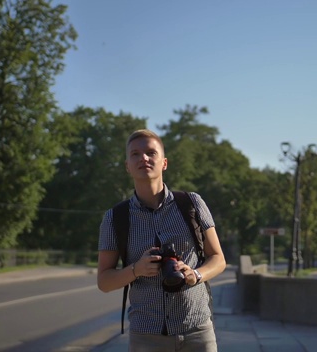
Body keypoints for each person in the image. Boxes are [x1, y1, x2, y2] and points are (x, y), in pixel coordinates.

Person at [97, 129, 226, 352]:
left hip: (197, 330)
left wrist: (195, 274)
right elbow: (104, 281)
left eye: (150, 152)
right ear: (127, 165)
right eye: (135, 154)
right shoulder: (115, 218)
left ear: (164, 162)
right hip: (146, 336)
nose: (143, 158)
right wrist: (137, 269)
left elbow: (218, 258)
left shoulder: (192, 203)